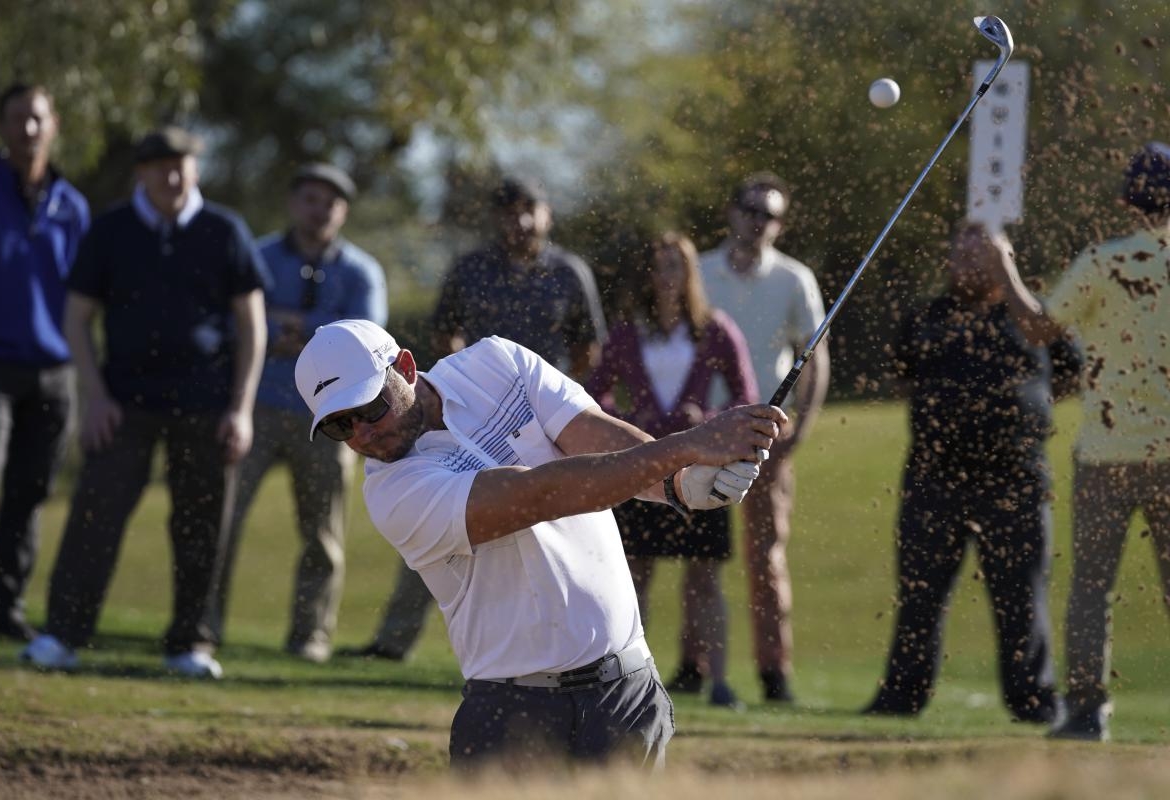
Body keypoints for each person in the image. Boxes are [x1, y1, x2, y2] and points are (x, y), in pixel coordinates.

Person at [294, 318, 780, 768]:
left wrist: (680, 482)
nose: (362, 434)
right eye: (340, 425)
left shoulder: (496, 361)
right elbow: (541, 494)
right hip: (512, 714)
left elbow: (595, 436)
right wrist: (687, 448)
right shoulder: (391, 492)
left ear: (405, 367)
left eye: (371, 407)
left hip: (626, 694)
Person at [20, 126, 268, 678]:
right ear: (141, 173)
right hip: (124, 403)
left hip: (206, 404)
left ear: (196, 169)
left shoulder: (224, 230)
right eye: (159, 166)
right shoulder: (110, 230)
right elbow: (77, 319)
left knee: (201, 524)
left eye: (181, 164)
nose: (171, 175)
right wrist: (96, 397)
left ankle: (190, 644)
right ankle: (62, 635)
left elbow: (252, 326)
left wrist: (241, 407)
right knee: (95, 516)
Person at [339, 175, 607, 660]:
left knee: (556, 520)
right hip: (464, 407)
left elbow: (587, 347)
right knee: (445, 527)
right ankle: (395, 644)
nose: (521, 220)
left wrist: (558, 395)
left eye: (530, 208)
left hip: (536, 413)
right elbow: (445, 335)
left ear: (547, 213)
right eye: (509, 211)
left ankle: (568, 649)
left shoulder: (569, 271)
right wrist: (462, 388)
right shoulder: (472, 269)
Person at [985, 141, 1170, 742]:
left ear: (1125, 201)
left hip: (1106, 454)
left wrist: (1004, 266)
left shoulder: (1102, 261)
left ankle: (1088, 712)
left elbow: (1038, 327)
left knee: (1092, 587)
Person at [863, 221, 1080, 724]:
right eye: (959, 254)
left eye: (979, 255)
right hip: (936, 477)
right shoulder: (926, 317)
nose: (966, 264)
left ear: (1002, 259)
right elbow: (902, 380)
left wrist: (1021, 415)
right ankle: (901, 697)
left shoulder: (1032, 315)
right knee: (920, 595)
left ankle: (1034, 701)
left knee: (1021, 597)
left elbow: (1071, 373)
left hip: (1015, 480)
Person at [204, 163, 388, 663]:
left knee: (323, 536)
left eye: (330, 202)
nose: (319, 209)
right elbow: (228, 316)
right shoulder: (258, 254)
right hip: (256, 406)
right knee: (221, 520)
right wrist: (316, 333)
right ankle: (203, 627)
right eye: (310, 198)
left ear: (343, 211)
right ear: (293, 203)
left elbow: (366, 336)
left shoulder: (361, 271)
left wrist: (294, 326)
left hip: (332, 420)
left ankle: (311, 636)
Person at [586, 232, 757, 709]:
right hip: (641, 466)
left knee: (704, 577)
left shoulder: (715, 330)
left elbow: (746, 395)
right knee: (633, 574)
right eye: (658, 267)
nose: (666, 277)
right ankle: (631, 680)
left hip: (700, 467)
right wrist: (625, 423)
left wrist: (709, 424)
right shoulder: (625, 333)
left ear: (689, 274)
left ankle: (719, 682)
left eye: (675, 266)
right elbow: (591, 396)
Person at [698, 172, 829, 702]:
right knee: (699, 551)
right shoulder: (702, 271)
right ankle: (694, 664)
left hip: (769, 427)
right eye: (750, 210)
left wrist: (804, 427)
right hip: (704, 424)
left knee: (765, 552)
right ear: (732, 213)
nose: (758, 222)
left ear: (779, 224)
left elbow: (815, 355)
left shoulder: (794, 279)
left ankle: (774, 673)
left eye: (768, 215)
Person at [0, 84, 90, 641]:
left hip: (54, 370)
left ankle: (2, 606)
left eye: (38, 119)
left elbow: (86, 295)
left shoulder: (74, 205)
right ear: (3, 126)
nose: (29, 130)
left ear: (54, 124)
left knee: (31, 490)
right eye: (18, 119)